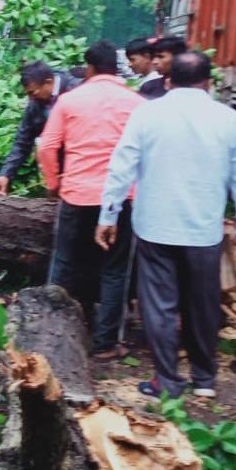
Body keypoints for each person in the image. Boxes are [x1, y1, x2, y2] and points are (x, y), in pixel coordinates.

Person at [95, 51, 236, 399]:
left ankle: (167, 381)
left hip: (155, 226)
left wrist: (108, 216)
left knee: (159, 305)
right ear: (209, 82)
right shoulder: (229, 120)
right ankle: (204, 380)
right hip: (203, 230)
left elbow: (121, 167)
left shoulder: (147, 114)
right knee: (203, 303)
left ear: (169, 81)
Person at [35, 40, 144, 359]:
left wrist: (54, 183)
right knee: (114, 269)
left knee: (64, 261)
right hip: (121, 198)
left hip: (77, 194)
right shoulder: (136, 103)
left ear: (91, 68)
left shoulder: (69, 100)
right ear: (117, 68)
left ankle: (48, 335)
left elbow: (46, 146)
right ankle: (106, 343)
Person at [0, 61, 82, 196]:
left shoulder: (78, 90)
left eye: (32, 92)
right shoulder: (35, 105)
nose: (30, 97)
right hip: (58, 173)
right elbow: (22, 142)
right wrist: (5, 174)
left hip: (84, 169)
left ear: (48, 82)